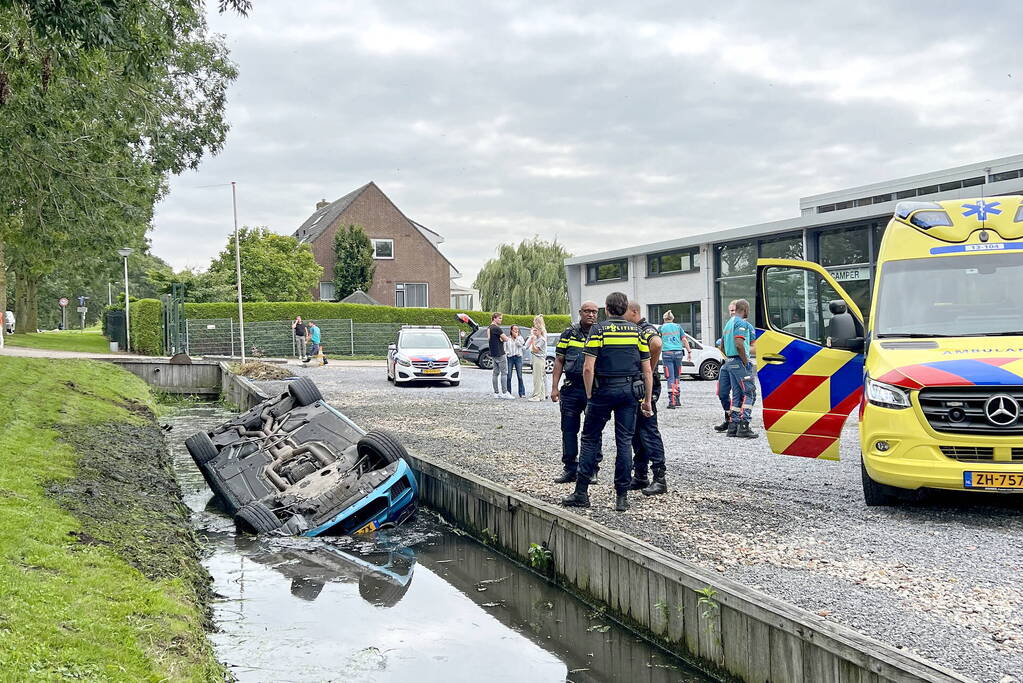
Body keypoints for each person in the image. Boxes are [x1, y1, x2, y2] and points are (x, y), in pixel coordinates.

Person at [561, 292, 653, 512]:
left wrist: (589, 393)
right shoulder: (638, 332)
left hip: (602, 391)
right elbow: (647, 369)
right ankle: (621, 497)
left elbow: (587, 367)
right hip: (629, 392)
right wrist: (647, 400)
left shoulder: (599, 329)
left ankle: (581, 492)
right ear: (624, 309)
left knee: (590, 439)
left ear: (607, 309)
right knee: (624, 441)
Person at [551, 301, 600, 484]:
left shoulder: (600, 333)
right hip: (571, 388)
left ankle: (592, 469)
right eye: (587, 311)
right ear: (580, 313)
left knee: (593, 431)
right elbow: (559, 361)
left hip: (593, 389)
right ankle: (570, 468)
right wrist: (554, 387)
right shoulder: (569, 333)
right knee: (569, 430)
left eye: (594, 312)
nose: (591, 315)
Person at [625, 301, 667, 496]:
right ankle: (640, 474)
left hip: (645, 387)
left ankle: (660, 478)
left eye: (624, 312)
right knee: (636, 432)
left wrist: (647, 369)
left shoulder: (645, 329)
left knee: (648, 430)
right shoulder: (634, 329)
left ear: (634, 312)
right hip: (637, 386)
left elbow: (657, 344)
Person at [720, 299, 758, 438]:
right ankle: (744, 425)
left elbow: (722, 346)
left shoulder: (728, 324)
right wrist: (745, 361)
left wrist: (729, 358)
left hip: (729, 361)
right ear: (745, 309)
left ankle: (733, 426)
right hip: (738, 361)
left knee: (737, 395)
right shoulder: (741, 323)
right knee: (750, 393)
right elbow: (739, 344)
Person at [658, 311, 691, 409]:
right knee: (677, 376)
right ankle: (677, 399)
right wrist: (689, 351)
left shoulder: (661, 328)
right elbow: (684, 340)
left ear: (664, 319)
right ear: (672, 319)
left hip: (667, 354)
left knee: (670, 377)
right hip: (678, 353)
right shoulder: (678, 327)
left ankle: (671, 401)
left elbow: (658, 341)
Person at [487, 312, 512, 399]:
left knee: (495, 373)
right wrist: (501, 339)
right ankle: (505, 392)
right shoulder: (497, 328)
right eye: (500, 318)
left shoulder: (489, 328)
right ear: (495, 318)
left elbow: (489, 339)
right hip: (500, 353)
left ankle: (496, 392)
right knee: (504, 373)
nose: (501, 320)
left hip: (493, 353)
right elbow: (506, 339)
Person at [527, 315, 548, 401]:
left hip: (538, 358)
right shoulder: (541, 337)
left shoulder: (541, 339)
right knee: (540, 377)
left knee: (537, 378)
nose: (534, 332)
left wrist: (532, 341)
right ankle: (541, 395)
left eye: (535, 330)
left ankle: (536, 396)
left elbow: (535, 350)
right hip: (539, 358)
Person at [504, 324, 527, 398]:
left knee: (520, 376)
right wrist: (507, 353)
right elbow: (505, 348)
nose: (516, 331)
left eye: (517, 329)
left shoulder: (520, 338)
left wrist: (516, 338)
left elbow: (521, 345)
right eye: (514, 329)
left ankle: (522, 392)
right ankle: (508, 392)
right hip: (510, 358)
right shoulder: (507, 338)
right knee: (509, 376)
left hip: (518, 357)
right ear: (511, 330)